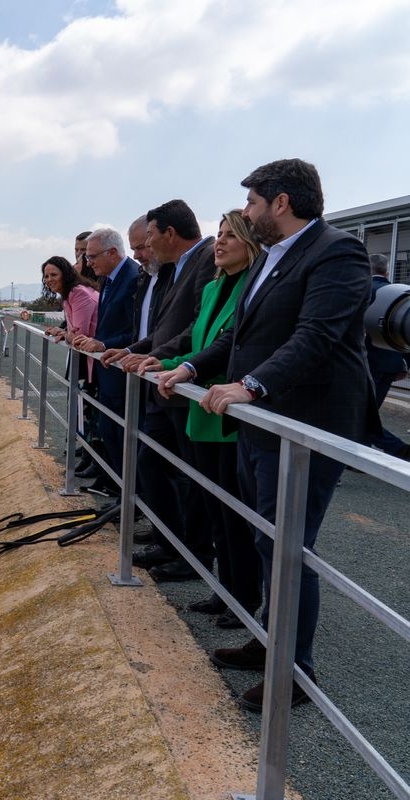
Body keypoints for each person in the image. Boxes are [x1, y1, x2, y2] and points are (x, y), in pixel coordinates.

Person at [155, 158, 378, 711]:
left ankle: (294, 676)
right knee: (265, 539)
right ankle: (269, 644)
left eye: (252, 203)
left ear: (280, 202)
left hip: (304, 425)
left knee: (288, 547)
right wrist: (189, 369)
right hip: (260, 425)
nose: (246, 213)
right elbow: (236, 336)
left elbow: (316, 337)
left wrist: (251, 385)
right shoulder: (271, 260)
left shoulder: (336, 252)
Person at [140, 210, 263, 628]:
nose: (220, 242)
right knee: (215, 510)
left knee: (234, 517)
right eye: (220, 235)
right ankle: (225, 590)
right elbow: (197, 340)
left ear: (251, 243)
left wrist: (185, 368)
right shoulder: (213, 288)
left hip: (227, 417)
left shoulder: (251, 287)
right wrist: (163, 362)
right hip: (201, 412)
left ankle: (243, 600)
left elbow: (228, 346)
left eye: (232, 236)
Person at [105, 200, 217, 581]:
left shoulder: (204, 261)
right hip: (162, 380)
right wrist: (135, 351)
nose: (146, 248)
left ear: (170, 233)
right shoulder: (175, 268)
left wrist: (160, 358)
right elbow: (165, 326)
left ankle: (193, 555)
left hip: (182, 383)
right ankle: (169, 542)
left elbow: (198, 328)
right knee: (152, 463)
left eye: (149, 237)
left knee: (190, 479)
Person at [70, 228, 139, 485]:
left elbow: (136, 331)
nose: (88, 263)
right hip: (108, 374)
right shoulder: (110, 279)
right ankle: (119, 491)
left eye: (92, 256)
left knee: (122, 438)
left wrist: (102, 344)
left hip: (122, 375)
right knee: (109, 433)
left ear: (112, 252)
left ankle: (127, 497)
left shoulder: (132, 278)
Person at [364, 253, 410, 458]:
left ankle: (397, 448)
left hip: (366, 364)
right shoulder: (401, 296)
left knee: (361, 414)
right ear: (387, 271)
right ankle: (359, 456)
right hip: (391, 364)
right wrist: (404, 363)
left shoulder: (364, 292)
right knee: (369, 412)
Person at [41, 256, 99, 380]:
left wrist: (64, 333)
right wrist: (66, 333)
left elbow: (78, 336)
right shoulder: (70, 293)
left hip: (95, 360)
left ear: (65, 274)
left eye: (54, 275)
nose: (49, 279)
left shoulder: (78, 293)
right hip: (89, 358)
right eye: (46, 276)